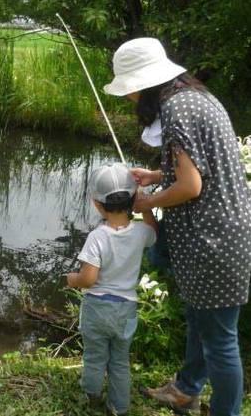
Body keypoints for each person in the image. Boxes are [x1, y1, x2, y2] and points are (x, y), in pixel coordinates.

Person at [103, 37, 251, 416]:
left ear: (143, 84)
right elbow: (208, 165)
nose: (129, 99)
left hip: (213, 240)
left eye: (130, 91)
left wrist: (146, 201)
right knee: (201, 321)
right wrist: (157, 174)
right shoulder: (196, 96)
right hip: (225, 232)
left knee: (220, 339)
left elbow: (190, 186)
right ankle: (186, 389)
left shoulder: (176, 110)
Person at [66, 163, 157, 416]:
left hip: (97, 308)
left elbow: (89, 279)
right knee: (119, 361)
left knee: (95, 357)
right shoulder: (141, 232)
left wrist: (72, 279)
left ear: (97, 203)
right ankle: (119, 407)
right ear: (132, 199)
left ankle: (91, 397)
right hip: (125, 309)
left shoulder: (98, 236)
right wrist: (145, 206)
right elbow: (154, 233)